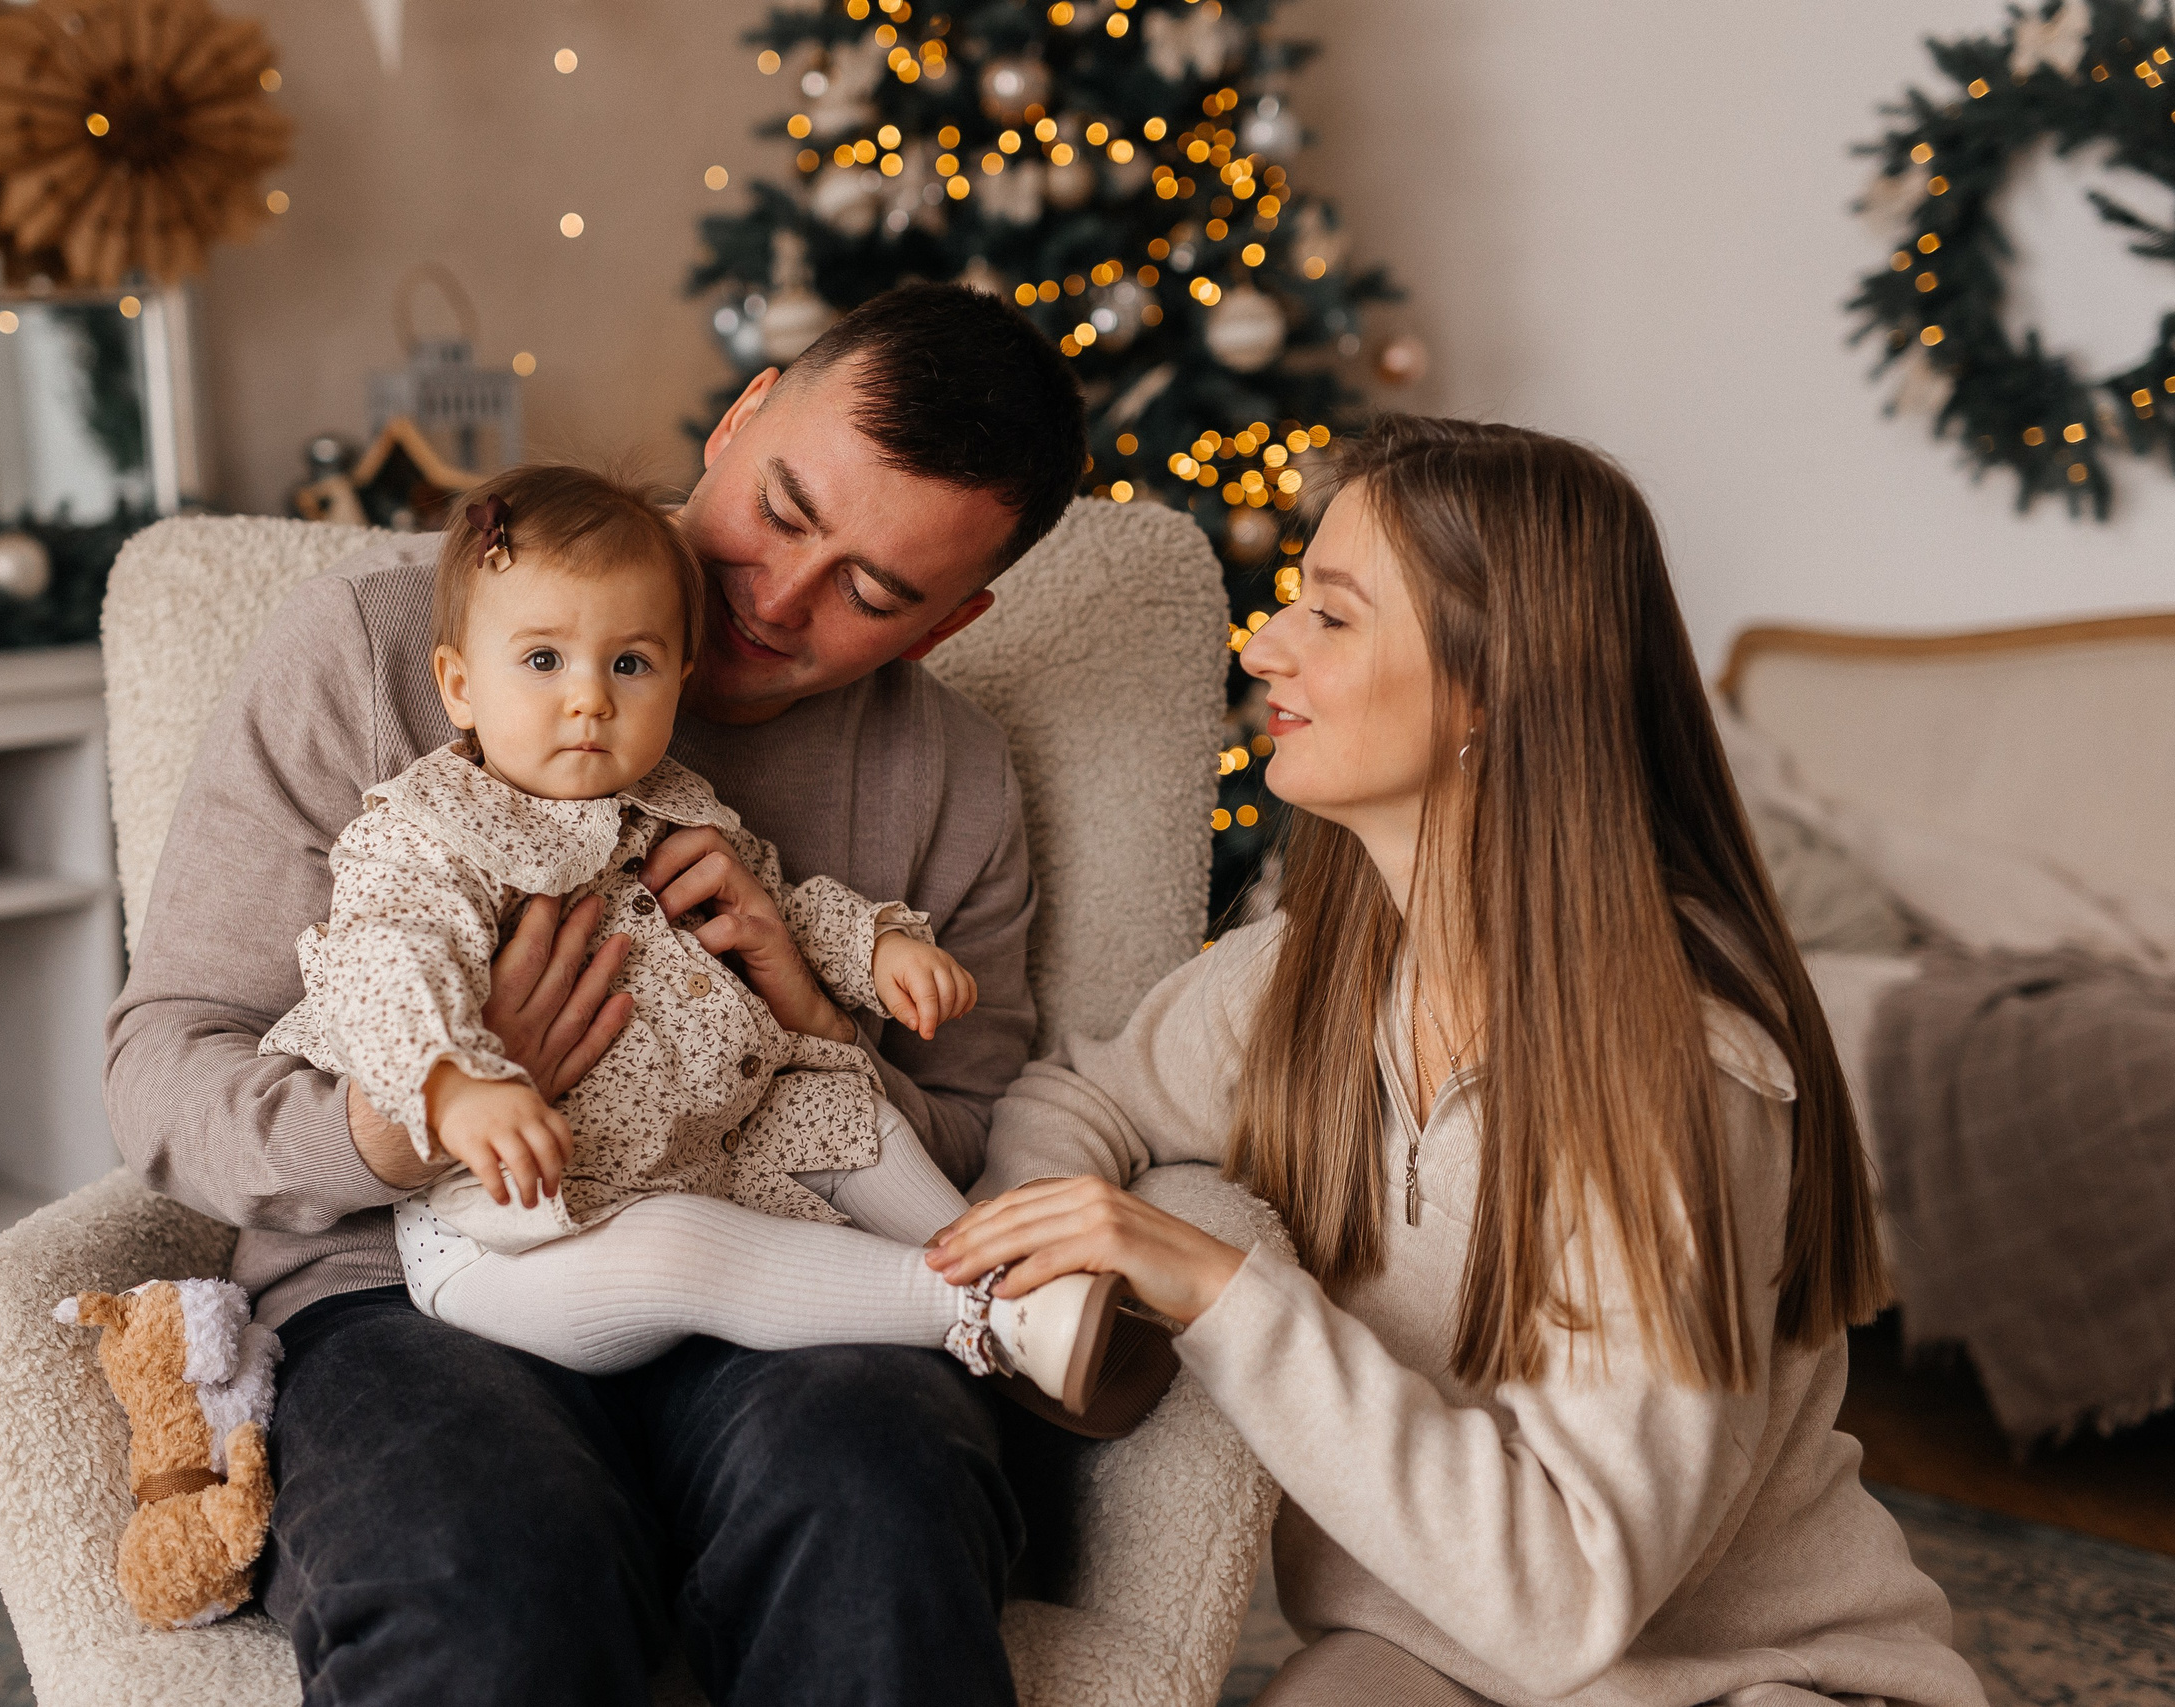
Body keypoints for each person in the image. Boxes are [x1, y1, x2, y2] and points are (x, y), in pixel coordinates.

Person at [105, 282, 1086, 1704]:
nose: (772, 599)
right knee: (481, 1583)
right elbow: (164, 1057)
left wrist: (814, 1022)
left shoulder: (950, 776)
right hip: (410, 1280)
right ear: (742, 416)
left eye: (872, 592)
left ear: (953, 618)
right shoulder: (375, 654)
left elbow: (981, 1141)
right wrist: (410, 1118)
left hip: (785, 1269)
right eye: (785, 512)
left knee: (876, 1508)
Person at [933, 417, 1988, 1707]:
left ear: (1489, 686)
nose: (1265, 649)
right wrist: (1046, 1301)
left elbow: (1563, 1606)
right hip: (1429, 1664)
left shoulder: (1677, 1078)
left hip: (1750, 1684)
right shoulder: (1307, 976)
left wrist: (1224, 1291)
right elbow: (1081, 1093)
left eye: (1331, 616)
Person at [259, 462, 1128, 1405]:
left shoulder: (671, 805)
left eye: (628, 664)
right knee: (675, 1246)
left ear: (677, 676)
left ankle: (1014, 1271)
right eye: (544, 661)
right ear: (459, 686)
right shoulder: (433, 827)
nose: (588, 698)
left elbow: (780, 903)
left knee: (849, 1117)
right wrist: (455, 1084)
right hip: (524, 1233)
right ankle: (977, 1316)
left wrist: (878, 953)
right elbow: (386, 957)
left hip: (707, 1143)